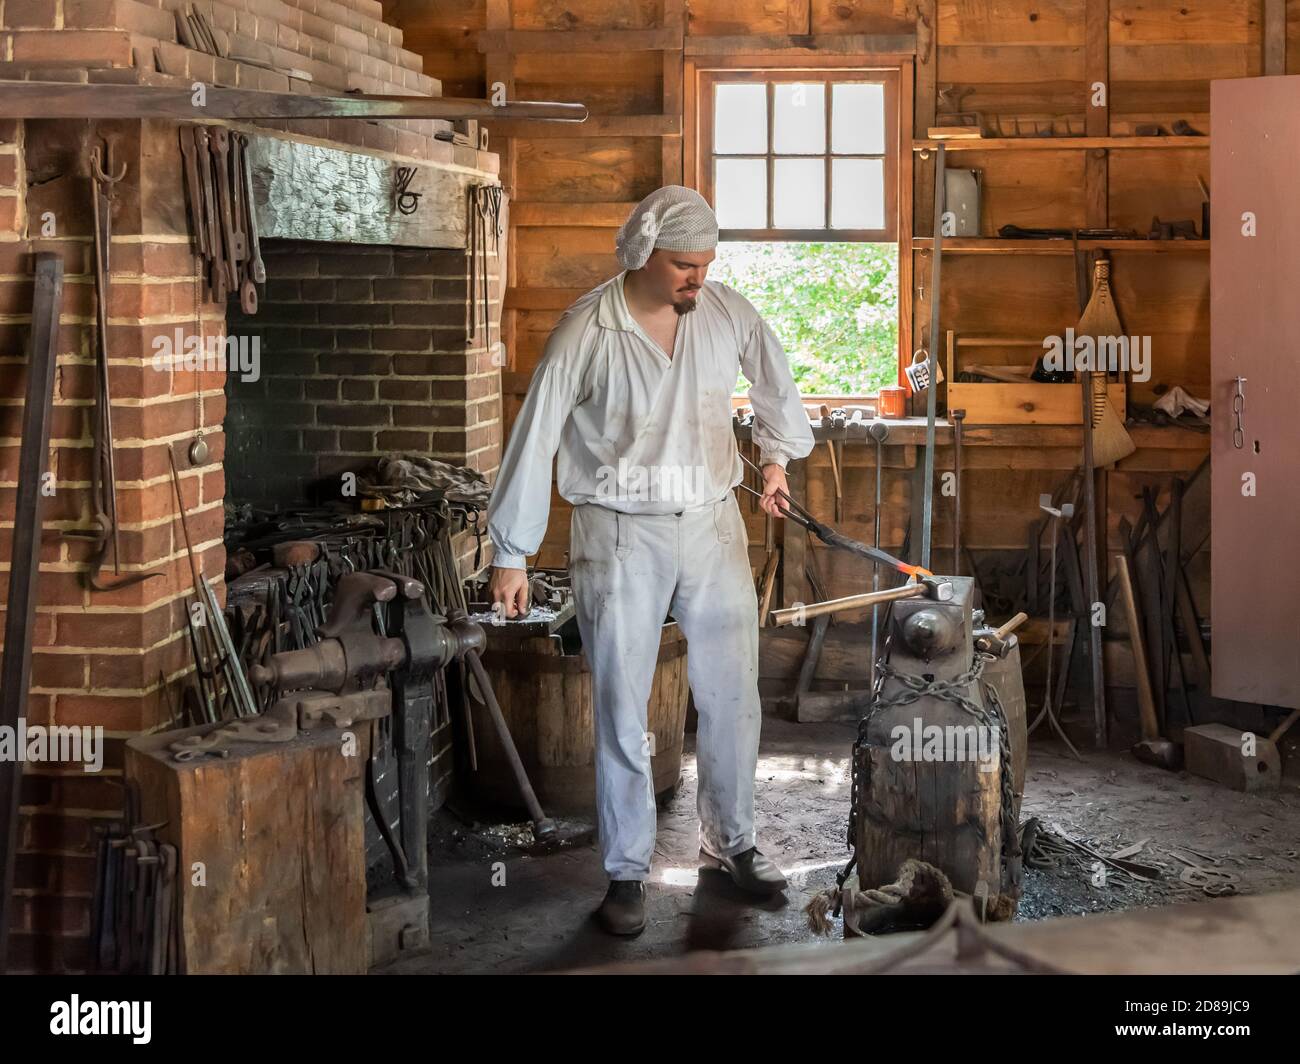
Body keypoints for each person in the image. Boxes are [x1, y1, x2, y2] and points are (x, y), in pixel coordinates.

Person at [486, 186, 815, 936]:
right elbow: (534, 436)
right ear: (641, 255)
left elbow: (776, 382)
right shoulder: (587, 329)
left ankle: (732, 843)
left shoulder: (726, 313)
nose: (697, 278)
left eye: (705, 263)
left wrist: (774, 459)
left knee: (733, 693)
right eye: (682, 265)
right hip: (618, 530)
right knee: (622, 705)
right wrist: (511, 553)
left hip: (710, 520)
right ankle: (627, 872)